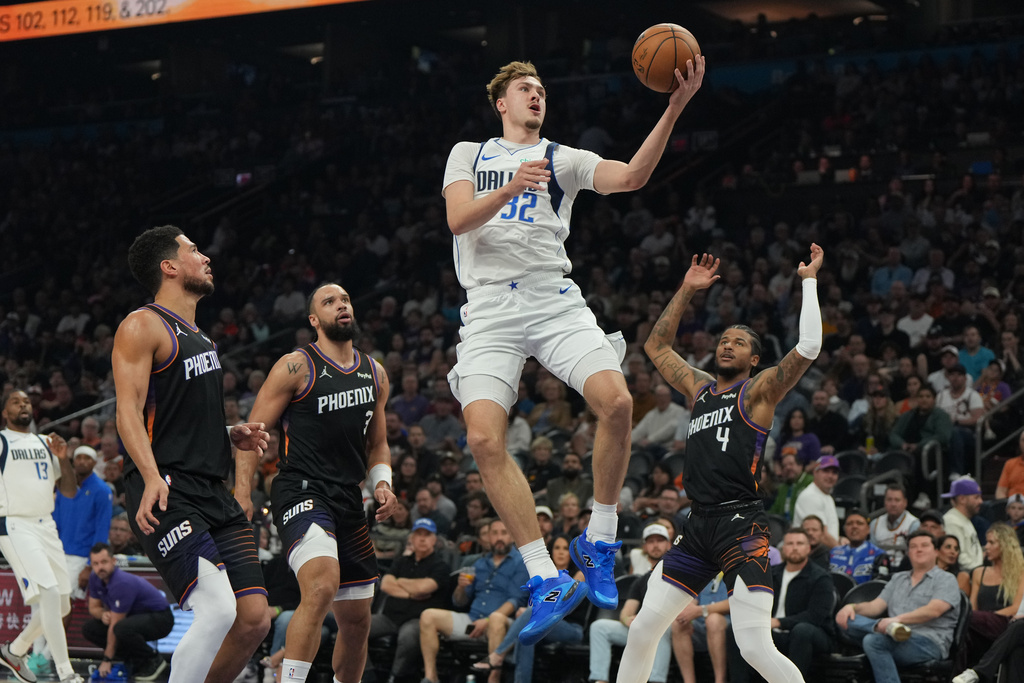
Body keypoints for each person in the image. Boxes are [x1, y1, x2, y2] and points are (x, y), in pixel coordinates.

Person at [441, 56, 705, 643]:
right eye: (523, 90)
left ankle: (599, 538)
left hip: (551, 296)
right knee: (484, 437)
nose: (536, 97)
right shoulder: (470, 154)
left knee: (617, 403)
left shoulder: (563, 158)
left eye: (540, 89)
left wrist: (675, 107)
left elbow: (633, 176)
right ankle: (544, 577)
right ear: (500, 104)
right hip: (488, 308)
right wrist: (511, 185)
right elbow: (459, 220)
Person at [618, 245, 825, 683]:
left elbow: (809, 345)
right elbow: (655, 345)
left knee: (753, 646)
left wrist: (808, 282)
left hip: (741, 525)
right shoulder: (700, 389)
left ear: (754, 358)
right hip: (697, 527)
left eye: (740, 342)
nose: (727, 344)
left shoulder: (760, 391)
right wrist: (687, 290)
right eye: (723, 339)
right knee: (641, 630)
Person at [112, 226, 271, 683]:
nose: (204, 256)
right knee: (219, 608)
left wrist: (227, 433)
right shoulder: (142, 325)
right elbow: (128, 413)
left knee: (254, 618)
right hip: (167, 488)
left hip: (211, 490)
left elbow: (178, 419)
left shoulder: (201, 337)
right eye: (193, 250)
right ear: (169, 267)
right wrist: (150, 475)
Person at [236, 282, 398, 683]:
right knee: (322, 584)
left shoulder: (374, 373)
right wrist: (242, 491)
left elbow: (377, 443)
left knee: (358, 619)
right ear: (314, 320)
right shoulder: (296, 366)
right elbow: (251, 434)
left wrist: (382, 483)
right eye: (330, 302)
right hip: (300, 489)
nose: (341, 305)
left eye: (345, 299)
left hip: (348, 496)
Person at [0, 390, 80, 683]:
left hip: (46, 525)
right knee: (47, 591)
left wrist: (64, 459)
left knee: (61, 605)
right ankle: (66, 673)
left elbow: (69, 491)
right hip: (14, 524)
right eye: (15, 402)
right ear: (5, 413)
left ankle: (15, 650)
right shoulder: (1, 441)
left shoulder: (46, 442)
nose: (23, 405)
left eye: (27, 402)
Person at [835, 530, 962, 683]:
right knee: (845, 620)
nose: (919, 549)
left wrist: (897, 620)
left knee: (873, 641)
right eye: (913, 546)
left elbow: (934, 611)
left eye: (924, 545)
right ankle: (883, 628)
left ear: (936, 552)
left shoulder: (946, 579)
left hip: (928, 642)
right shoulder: (898, 578)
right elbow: (876, 606)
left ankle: (887, 628)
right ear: (908, 553)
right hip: (891, 637)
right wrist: (852, 607)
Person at [418, 519, 528, 683]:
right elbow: (460, 602)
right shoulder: (479, 564)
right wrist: (461, 588)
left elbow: (515, 601)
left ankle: (493, 678)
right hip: (473, 622)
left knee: (496, 620)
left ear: (512, 536)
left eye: (504, 533)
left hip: (503, 624)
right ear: (488, 537)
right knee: (428, 616)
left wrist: (487, 620)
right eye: (495, 533)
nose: (499, 537)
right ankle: (431, 677)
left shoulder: (520, 563)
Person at [728, 528, 834, 681]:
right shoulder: (770, 573)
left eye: (800, 543)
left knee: (802, 631)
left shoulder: (820, 577)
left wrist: (779, 622)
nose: (795, 547)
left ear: (808, 548)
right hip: (774, 632)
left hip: (814, 634)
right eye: (790, 543)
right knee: (735, 629)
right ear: (783, 548)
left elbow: (815, 616)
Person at [366, 518, 451, 683]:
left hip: (417, 619)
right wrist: (411, 594)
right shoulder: (401, 561)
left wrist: (400, 581)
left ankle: (395, 678)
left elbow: (425, 588)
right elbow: (386, 585)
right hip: (389, 617)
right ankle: (368, 675)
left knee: (408, 636)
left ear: (434, 539)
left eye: (427, 535)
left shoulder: (441, 566)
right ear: (411, 538)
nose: (422, 538)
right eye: (418, 534)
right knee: (355, 628)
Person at [82, 543, 173, 681]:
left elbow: (115, 624)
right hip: (134, 618)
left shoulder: (121, 582)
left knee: (120, 628)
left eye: (104, 562)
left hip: (161, 618)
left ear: (114, 561)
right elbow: (93, 608)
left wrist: (107, 660)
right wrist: (102, 614)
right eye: (95, 563)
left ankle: (153, 660)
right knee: (89, 628)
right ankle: (133, 661)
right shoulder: (95, 578)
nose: (100, 567)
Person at [53, 445, 113, 600]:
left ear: (94, 463)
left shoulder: (102, 490)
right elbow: (55, 522)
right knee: (49, 601)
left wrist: (90, 564)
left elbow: (102, 529)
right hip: (57, 553)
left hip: (80, 557)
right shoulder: (64, 488)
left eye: (87, 458)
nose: (82, 461)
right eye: (79, 457)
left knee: (64, 601)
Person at [964, 523, 1024, 667]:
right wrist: (981, 621)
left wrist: (989, 617)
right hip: (978, 625)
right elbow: (973, 607)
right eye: (986, 542)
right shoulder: (979, 572)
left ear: (1005, 545)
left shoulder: (1021, 572)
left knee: (967, 620)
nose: (986, 547)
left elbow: (1016, 608)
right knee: (964, 633)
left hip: (1006, 624)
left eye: (991, 542)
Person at [671, 572, 730, 683]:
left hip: (728, 623)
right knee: (678, 623)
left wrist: (701, 610)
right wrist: (684, 612)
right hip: (700, 624)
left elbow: (736, 602)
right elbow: (692, 602)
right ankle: (688, 680)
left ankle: (720, 680)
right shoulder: (705, 573)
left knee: (713, 620)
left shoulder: (737, 571)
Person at [829, 510, 891, 584]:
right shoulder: (833, 553)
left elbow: (879, 586)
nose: (854, 526)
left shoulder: (879, 555)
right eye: (849, 523)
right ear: (844, 529)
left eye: (859, 523)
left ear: (868, 529)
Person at [793, 455, 842, 548]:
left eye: (834, 472)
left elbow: (829, 532)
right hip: (811, 553)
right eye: (826, 471)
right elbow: (821, 535)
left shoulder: (826, 496)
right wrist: (840, 552)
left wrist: (840, 539)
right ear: (815, 472)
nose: (830, 476)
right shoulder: (810, 496)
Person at [868, 484, 919, 566]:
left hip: (905, 571)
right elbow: (871, 553)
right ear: (884, 502)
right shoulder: (875, 524)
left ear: (905, 503)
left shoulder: (914, 524)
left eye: (897, 500)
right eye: (889, 500)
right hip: (880, 570)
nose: (893, 504)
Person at [941, 477, 984, 571]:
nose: (981, 501)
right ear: (962, 499)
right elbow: (959, 557)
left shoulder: (964, 518)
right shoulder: (952, 521)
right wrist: (978, 570)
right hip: (965, 577)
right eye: (976, 497)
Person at [767, 452, 813, 525]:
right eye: (784, 466)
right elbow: (775, 510)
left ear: (800, 465)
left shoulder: (810, 482)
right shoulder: (782, 488)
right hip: (783, 527)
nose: (788, 468)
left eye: (791, 464)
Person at [995, 432, 1024, 499]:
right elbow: (1001, 491)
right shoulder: (1010, 464)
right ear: (1019, 443)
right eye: (1023, 440)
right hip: (1012, 506)